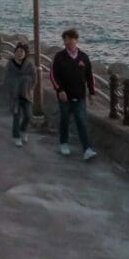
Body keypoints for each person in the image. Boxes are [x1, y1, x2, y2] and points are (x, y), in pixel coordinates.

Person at [50, 27, 97, 161]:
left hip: (80, 95)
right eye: (66, 39)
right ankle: (63, 143)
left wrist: (92, 93)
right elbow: (53, 75)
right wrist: (59, 90)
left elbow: (90, 76)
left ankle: (87, 149)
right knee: (64, 119)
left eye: (71, 39)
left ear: (76, 40)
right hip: (65, 95)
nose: (68, 42)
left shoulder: (83, 57)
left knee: (81, 121)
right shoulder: (59, 57)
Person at [4, 41, 36, 147]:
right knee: (16, 116)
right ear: (14, 52)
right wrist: (15, 84)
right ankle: (16, 136)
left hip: (26, 94)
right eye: (17, 51)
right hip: (15, 95)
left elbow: (34, 78)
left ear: (25, 53)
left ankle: (23, 130)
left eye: (22, 51)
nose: (19, 53)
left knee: (28, 115)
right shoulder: (10, 64)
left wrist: (27, 85)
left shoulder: (29, 64)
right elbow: (7, 78)